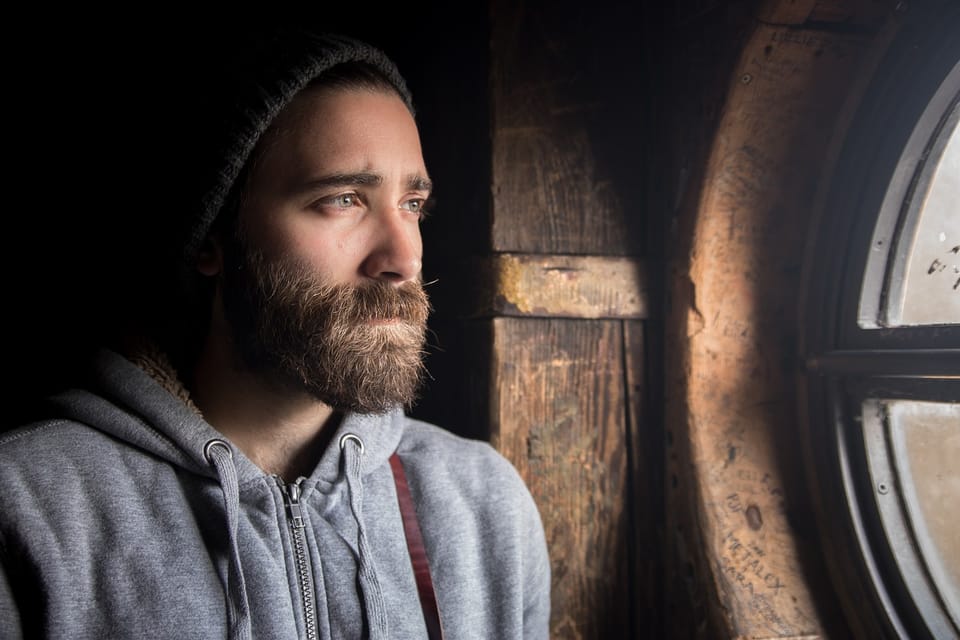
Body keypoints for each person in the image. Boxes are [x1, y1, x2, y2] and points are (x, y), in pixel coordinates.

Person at [0, 27, 551, 639]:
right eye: (343, 199)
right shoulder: (30, 508)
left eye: (412, 205)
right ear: (215, 237)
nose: (404, 257)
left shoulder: (483, 507)